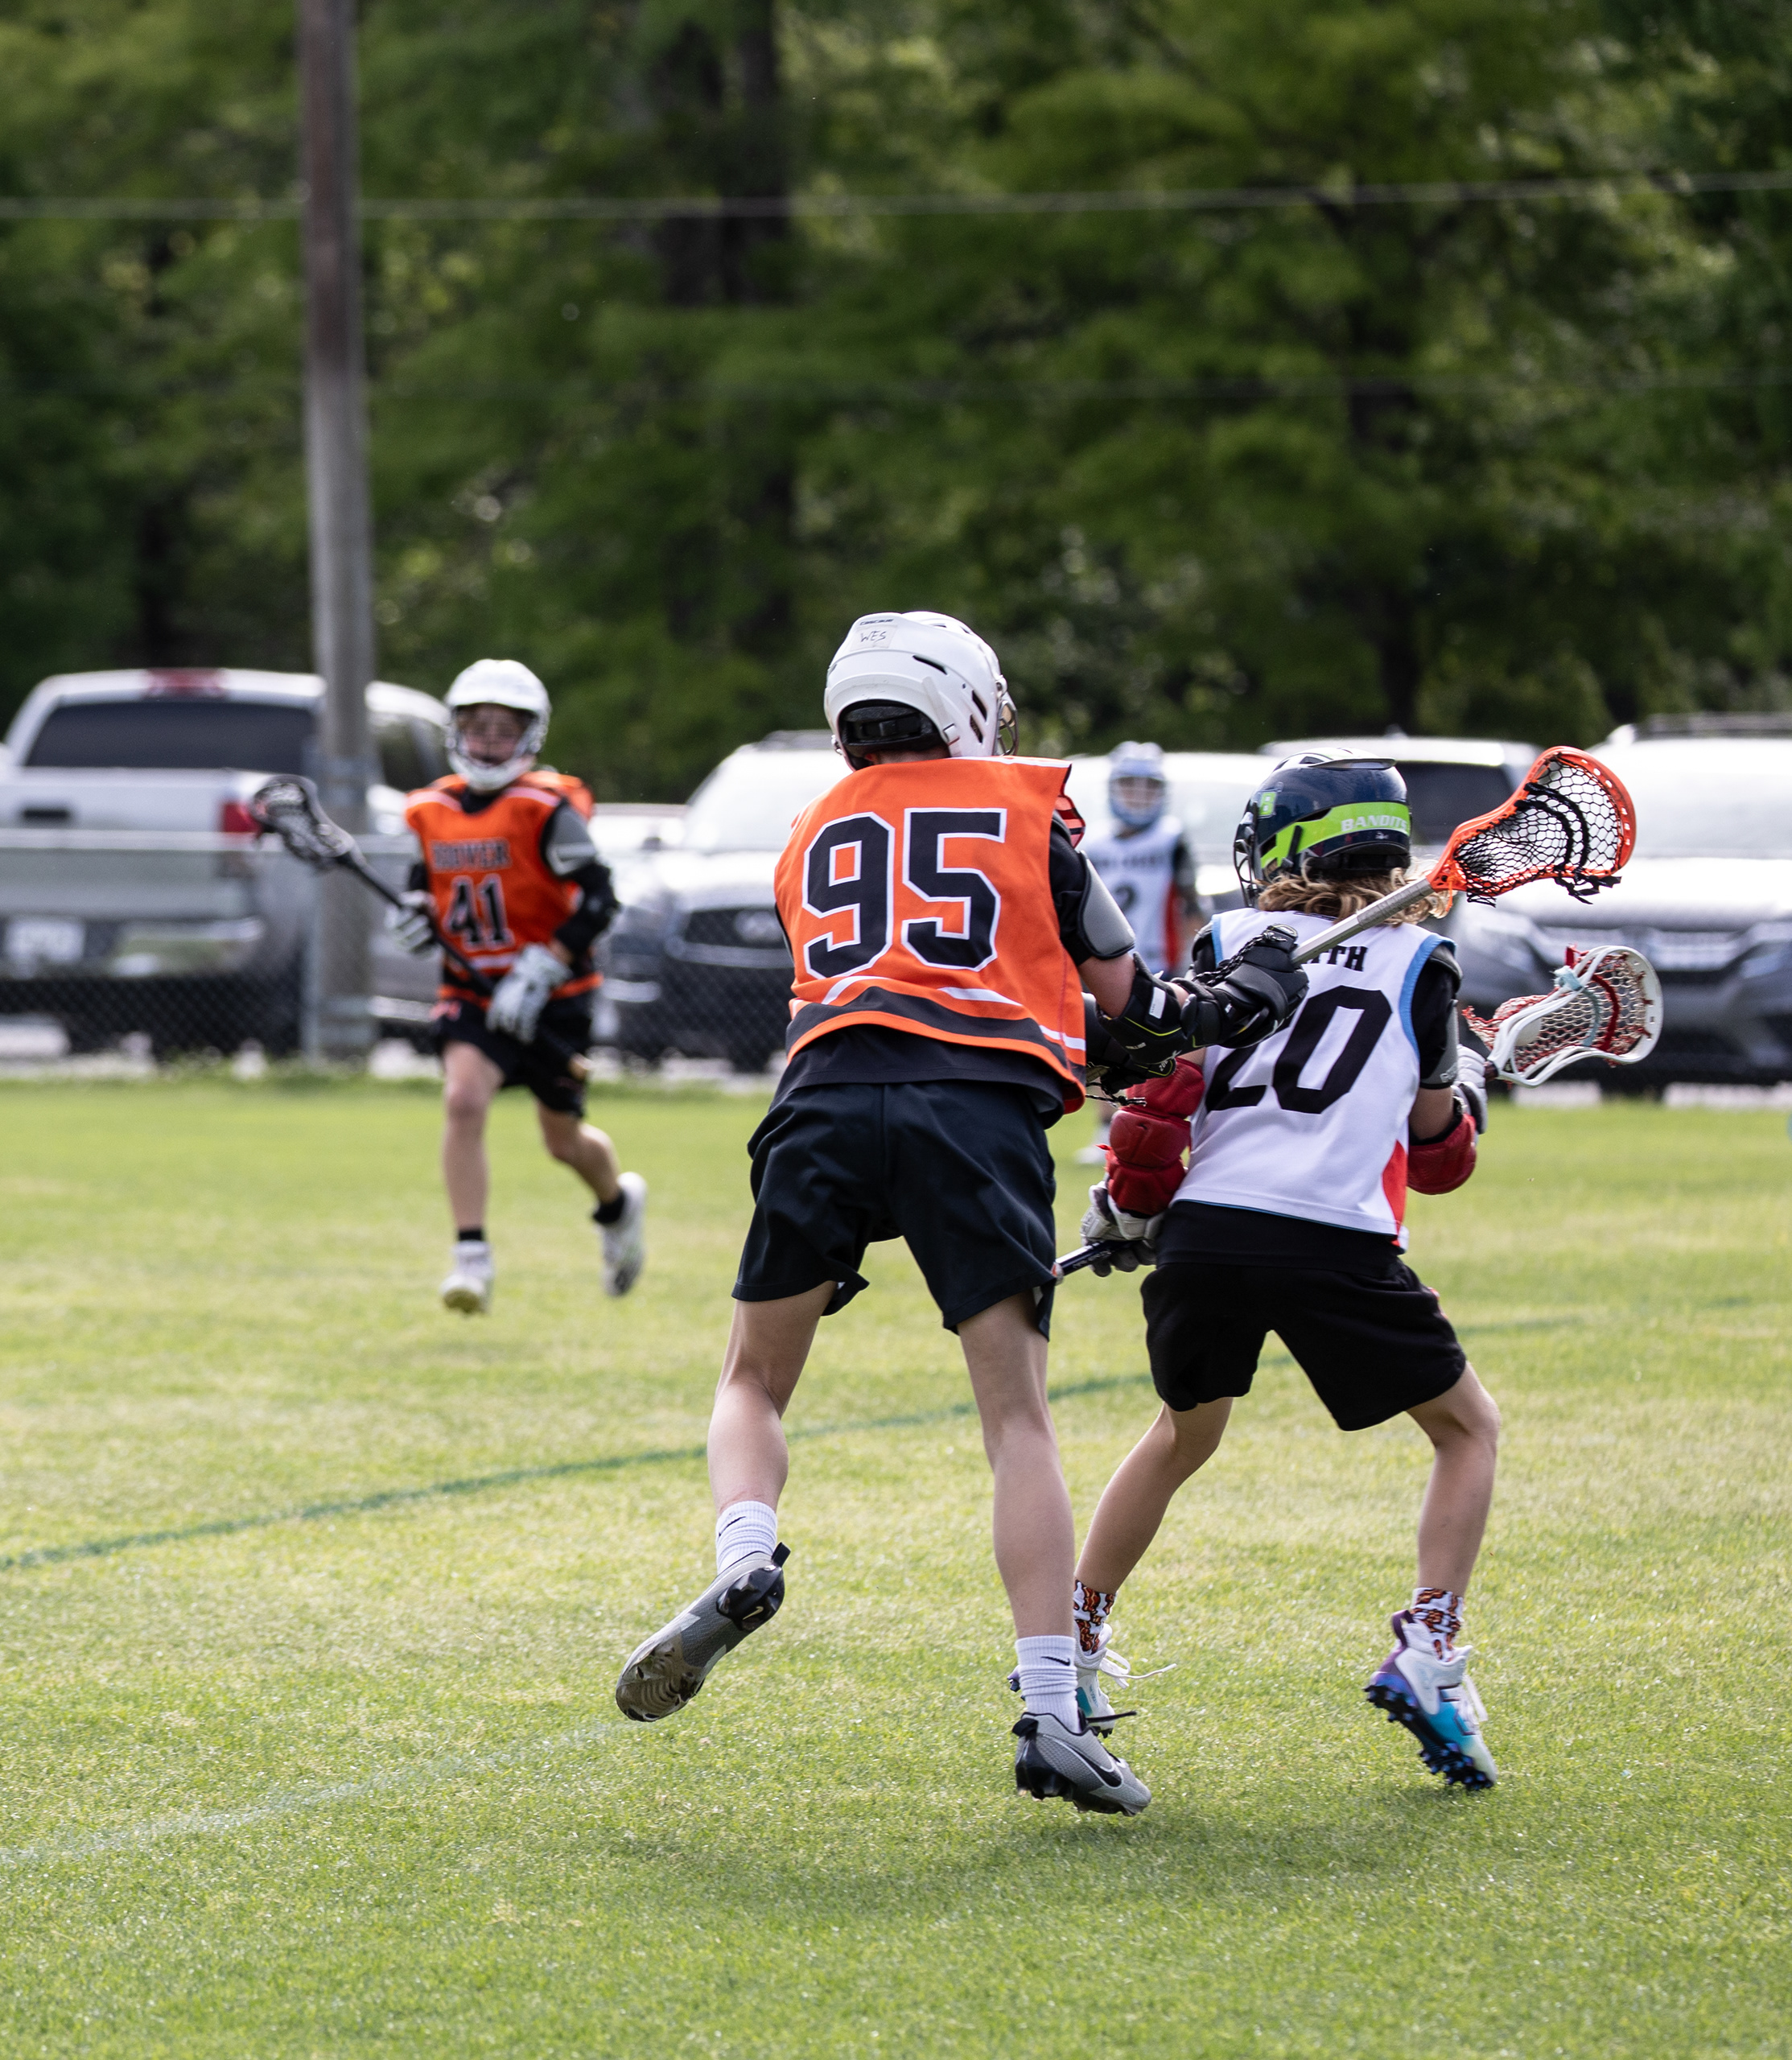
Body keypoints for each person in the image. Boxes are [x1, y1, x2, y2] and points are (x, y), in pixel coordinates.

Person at [609, 610, 1311, 1816]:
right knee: (1016, 1420)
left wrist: (1168, 1019)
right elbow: (1127, 1009)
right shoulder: (1032, 815)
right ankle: (1050, 1712)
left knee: (753, 1380)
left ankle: (745, 1556)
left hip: (824, 1100)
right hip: (975, 1115)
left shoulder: (808, 832)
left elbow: (910, 984)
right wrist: (1238, 998)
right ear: (971, 706)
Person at [1069, 753, 1505, 1789]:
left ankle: (1070, 1642)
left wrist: (1132, 1211)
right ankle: (1431, 1646)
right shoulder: (1424, 964)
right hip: (1333, 1242)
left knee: (1182, 1435)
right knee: (1468, 1431)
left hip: (1208, 1238)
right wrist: (1464, 1100)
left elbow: (1159, 1102)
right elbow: (1437, 1159)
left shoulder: (1226, 943)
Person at [397, 659, 645, 1314]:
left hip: (552, 996)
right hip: (472, 990)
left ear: (529, 736)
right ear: (456, 730)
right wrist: (416, 914)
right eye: (476, 727)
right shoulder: (431, 809)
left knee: (563, 1142)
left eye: (502, 729)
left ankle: (617, 1205)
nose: (487, 741)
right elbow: (424, 883)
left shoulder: (545, 809)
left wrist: (544, 965)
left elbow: (600, 900)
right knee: (463, 1101)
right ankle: (470, 1257)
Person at [1082, 741, 1203, 974]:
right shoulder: (1094, 844)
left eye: (1150, 786)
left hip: (1161, 968)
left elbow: (1192, 907)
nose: (1139, 795)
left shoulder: (1171, 839)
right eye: (1129, 785)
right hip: (1106, 967)